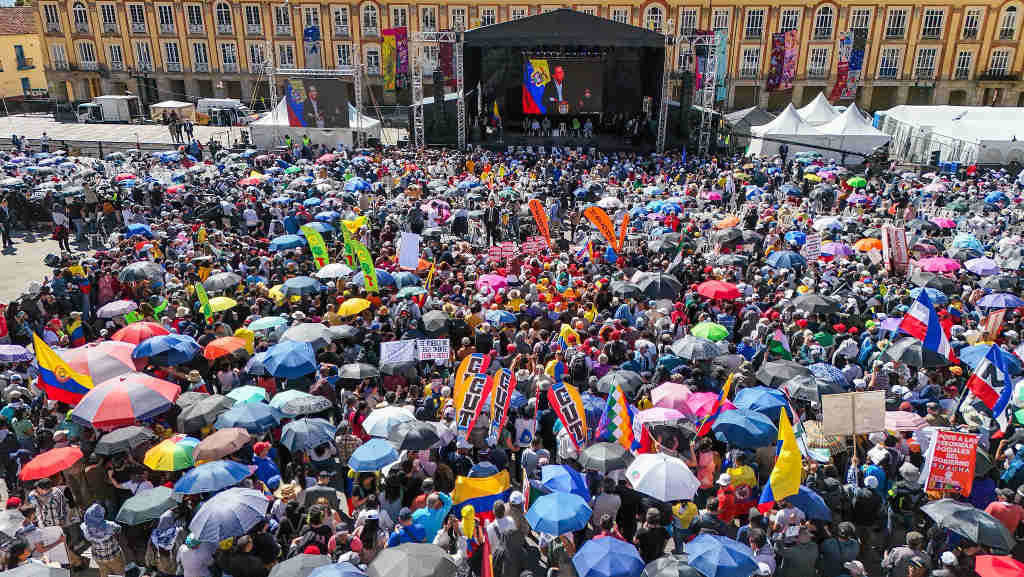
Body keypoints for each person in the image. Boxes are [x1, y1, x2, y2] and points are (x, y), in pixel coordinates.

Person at [81, 503, 126, 577]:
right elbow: (119, 529)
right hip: (113, 555)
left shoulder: (86, 529)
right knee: (119, 572)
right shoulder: (110, 525)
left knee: (104, 572)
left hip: (99, 557)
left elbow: (87, 538)